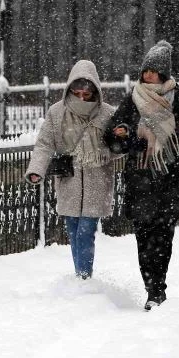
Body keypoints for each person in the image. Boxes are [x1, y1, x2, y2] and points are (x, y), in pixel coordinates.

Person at [104, 40, 179, 311]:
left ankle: (158, 289)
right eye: (146, 70)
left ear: (164, 73)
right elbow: (112, 137)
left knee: (163, 236)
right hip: (141, 178)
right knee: (144, 237)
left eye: (154, 71)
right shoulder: (133, 99)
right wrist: (130, 140)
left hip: (171, 178)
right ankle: (150, 286)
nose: (149, 75)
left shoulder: (176, 99)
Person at [25, 59, 117, 279]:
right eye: (78, 94)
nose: (82, 98)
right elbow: (45, 143)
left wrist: (106, 152)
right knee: (74, 230)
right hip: (69, 181)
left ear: (96, 90)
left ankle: (83, 278)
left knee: (86, 231)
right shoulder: (57, 113)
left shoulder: (108, 114)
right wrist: (37, 169)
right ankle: (80, 277)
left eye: (87, 95)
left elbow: (121, 145)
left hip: (97, 181)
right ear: (70, 89)